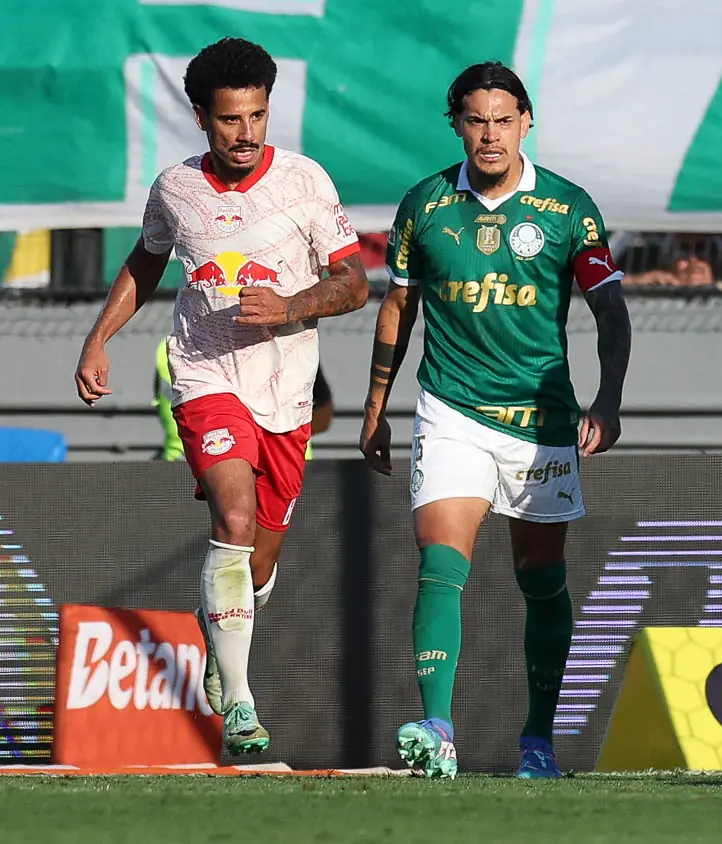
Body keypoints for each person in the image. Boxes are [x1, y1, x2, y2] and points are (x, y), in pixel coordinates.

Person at [75, 38, 368, 756]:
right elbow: (146, 261)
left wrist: (293, 305)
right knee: (232, 518)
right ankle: (239, 702)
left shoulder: (305, 183)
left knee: (257, 561)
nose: (247, 134)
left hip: (287, 393)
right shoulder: (176, 188)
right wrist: (97, 338)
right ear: (201, 117)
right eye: (232, 120)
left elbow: (355, 285)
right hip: (205, 375)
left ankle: (219, 634)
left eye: (258, 117)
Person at [360, 61, 632, 780]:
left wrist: (607, 401)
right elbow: (398, 306)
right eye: (476, 120)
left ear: (527, 122)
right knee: (441, 561)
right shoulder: (425, 205)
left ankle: (538, 740)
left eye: (503, 119)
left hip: (540, 420)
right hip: (450, 409)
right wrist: (376, 406)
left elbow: (610, 310)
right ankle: (439, 729)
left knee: (540, 578)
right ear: (456, 124)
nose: (490, 134)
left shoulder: (568, 209)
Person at [153, 340, 333, 461]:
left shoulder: (169, 346)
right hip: (187, 467)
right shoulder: (290, 344)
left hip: (185, 464)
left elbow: (323, 411)